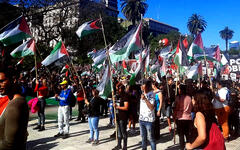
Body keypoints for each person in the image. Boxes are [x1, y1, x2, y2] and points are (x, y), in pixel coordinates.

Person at [0, 66, 29, 149]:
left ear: (13, 80)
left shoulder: (15, 106)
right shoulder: (11, 101)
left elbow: (9, 144)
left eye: (2, 81)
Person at [173, 84, 193, 150]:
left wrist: (174, 116)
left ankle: (182, 148)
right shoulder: (189, 98)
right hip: (188, 118)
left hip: (180, 118)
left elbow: (176, 108)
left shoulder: (178, 98)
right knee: (188, 135)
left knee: (181, 135)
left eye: (179, 89)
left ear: (181, 90)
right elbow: (191, 107)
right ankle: (188, 147)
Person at [139, 80, 156, 150]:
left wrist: (145, 99)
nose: (141, 86)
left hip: (149, 120)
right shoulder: (142, 93)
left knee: (151, 139)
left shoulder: (152, 94)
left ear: (147, 86)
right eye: (141, 84)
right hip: (141, 119)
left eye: (143, 84)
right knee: (143, 138)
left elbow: (151, 107)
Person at [112, 85, 129, 150]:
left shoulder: (125, 96)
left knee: (123, 132)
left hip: (123, 117)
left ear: (121, 89)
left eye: (118, 89)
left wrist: (117, 107)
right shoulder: (117, 96)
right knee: (119, 132)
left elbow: (126, 107)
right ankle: (119, 145)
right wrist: (114, 116)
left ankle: (125, 146)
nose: (117, 90)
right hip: (118, 116)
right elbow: (116, 107)